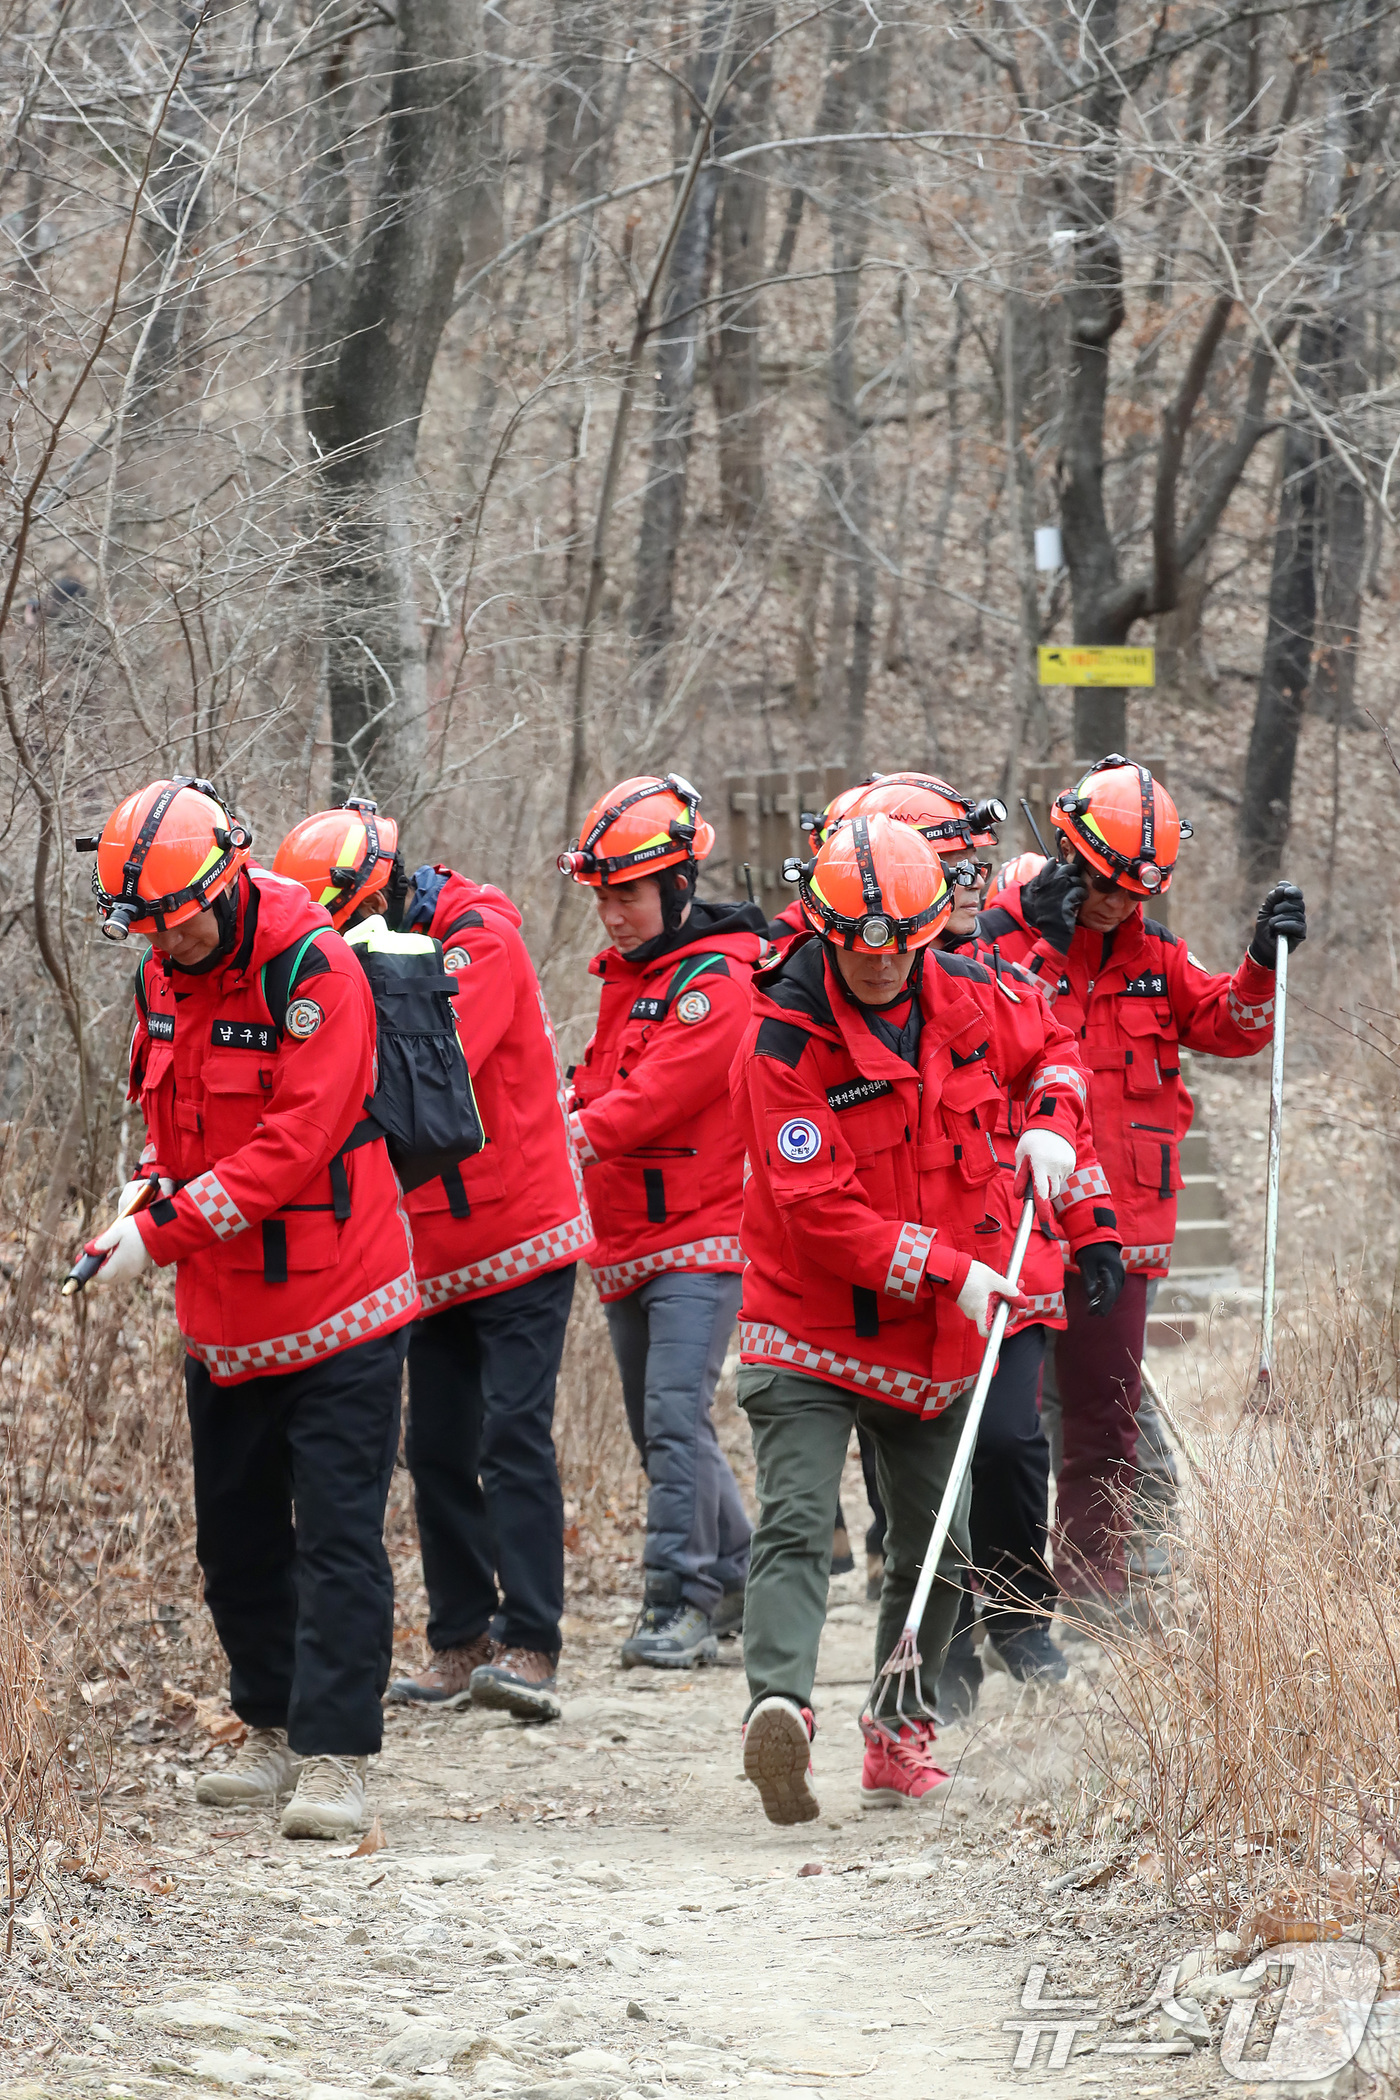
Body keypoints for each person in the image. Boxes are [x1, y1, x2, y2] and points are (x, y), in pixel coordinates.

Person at [731, 814, 1098, 1823]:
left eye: (905, 943)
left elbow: (1057, 1048)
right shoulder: (781, 1041)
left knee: (940, 1540)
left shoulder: (974, 991)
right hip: (808, 1327)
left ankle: (898, 1732)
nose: (884, 964)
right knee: (797, 1519)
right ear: (825, 932)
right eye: (863, 947)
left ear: (932, 928)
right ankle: (779, 1706)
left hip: (932, 1341)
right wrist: (949, 1270)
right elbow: (818, 1211)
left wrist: (1051, 1124)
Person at [78, 778, 419, 1839]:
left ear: (225, 884)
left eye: (177, 923)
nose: (164, 944)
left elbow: (292, 1145)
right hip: (223, 1315)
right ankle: (268, 1728)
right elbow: (172, 1120)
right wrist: (144, 1193)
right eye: (146, 928)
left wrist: (162, 1234)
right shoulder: (160, 974)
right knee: (236, 1541)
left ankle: (336, 1756)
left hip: (344, 1300)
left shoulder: (314, 969)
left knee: (337, 1538)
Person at [272, 806, 590, 1721]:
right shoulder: (360, 950)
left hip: (522, 1231)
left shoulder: (479, 941)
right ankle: (460, 1640)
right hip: (431, 1246)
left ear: (377, 894)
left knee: (511, 1433)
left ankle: (531, 1642)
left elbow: (419, 1062)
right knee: (437, 1446)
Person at [976, 755, 1306, 1611]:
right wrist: (1046, 944)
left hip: (1127, 1228)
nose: (1119, 905)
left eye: (1136, 892)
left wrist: (1262, 963)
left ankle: (1096, 1587)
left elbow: (1232, 1026)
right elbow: (984, 1028)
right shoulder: (999, 940)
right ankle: (998, 1593)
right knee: (1004, 1422)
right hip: (1017, 1220)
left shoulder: (1157, 955)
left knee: (1104, 1416)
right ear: (1068, 853)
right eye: (1107, 885)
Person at [851, 777, 1124, 1708]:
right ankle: (946, 1640)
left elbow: (1058, 1096)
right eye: (952, 867)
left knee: (1009, 1445)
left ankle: (1019, 1617)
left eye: (976, 866)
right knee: (918, 1479)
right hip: (901, 1281)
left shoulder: (1005, 975)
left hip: (1006, 1264)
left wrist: (1092, 1226)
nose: (971, 882)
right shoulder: (846, 989)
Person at [560, 773, 767, 1668]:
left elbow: (652, 1097)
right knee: (660, 1430)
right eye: (604, 898)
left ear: (679, 886)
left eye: (630, 896)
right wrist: (562, 1111)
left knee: (675, 1418)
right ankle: (737, 1573)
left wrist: (563, 1137)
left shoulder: (718, 983)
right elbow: (600, 1084)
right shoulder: (628, 979)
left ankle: (675, 1601)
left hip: (699, 1236)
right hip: (625, 1240)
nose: (613, 915)